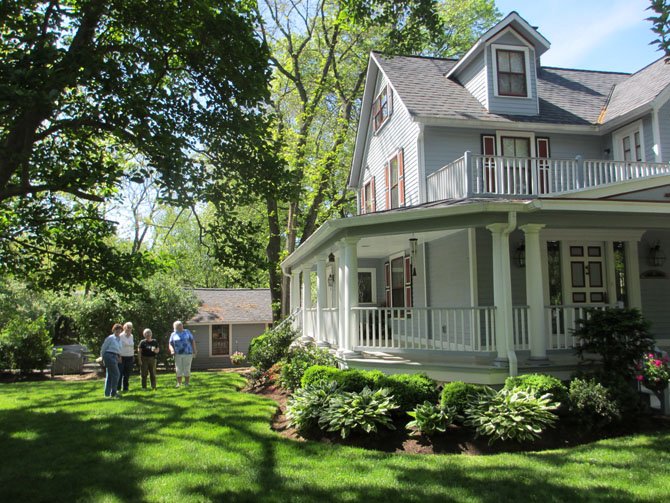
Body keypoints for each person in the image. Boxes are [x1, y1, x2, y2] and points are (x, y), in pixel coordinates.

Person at [168, 320, 197, 388]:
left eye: (181, 325)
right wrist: (172, 350)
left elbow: (192, 340)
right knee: (178, 369)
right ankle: (179, 383)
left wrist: (195, 350)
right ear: (175, 327)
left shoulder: (187, 332)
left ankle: (186, 383)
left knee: (187, 368)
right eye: (178, 326)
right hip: (177, 354)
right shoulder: (173, 334)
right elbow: (170, 343)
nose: (180, 327)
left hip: (188, 353)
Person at [100, 324, 123, 398]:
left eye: (119, 329)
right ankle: (113, 393)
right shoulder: (110, 338)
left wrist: (119, 356)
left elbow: (118, 349)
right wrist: (102, 357)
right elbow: (104, 348)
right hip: (109, 355)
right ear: (114, 330)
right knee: (116, 374)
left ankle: (107, 394)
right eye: (117, 329)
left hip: (115, 356)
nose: (118, 331)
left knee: (110, 375)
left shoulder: (119, 339)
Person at [117, 321, 135, 392]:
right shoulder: (121, 336)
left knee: (127, 374)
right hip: (122, 357)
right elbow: (118, 347)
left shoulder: (132, 336)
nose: (129, 329)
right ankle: (118, 388)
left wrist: (133, 355)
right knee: (120, 373)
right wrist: (119, 356)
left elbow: (132, 347)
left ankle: (125, 388)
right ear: (124, 328)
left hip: (130, 356)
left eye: (130, 328)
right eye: (128, 327)